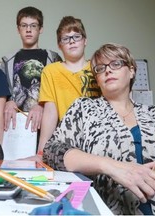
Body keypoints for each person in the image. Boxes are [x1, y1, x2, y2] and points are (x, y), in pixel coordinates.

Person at [43, 43, 155, 214]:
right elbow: (52, 152)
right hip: (105, 209)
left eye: (116, 64)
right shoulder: (83, 108)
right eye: (100, 68)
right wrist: (110, 166)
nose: (107, 71)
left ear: (131, 70)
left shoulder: (151, 113)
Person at [37, 16, 101, 155]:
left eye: (76, 36)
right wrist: (41, 151)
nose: (72, 41)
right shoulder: (51, 71)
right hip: (67, 139)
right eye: (66, 38)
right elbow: (50, 112)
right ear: (59, 44)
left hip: (98, 136)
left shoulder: (98, 68)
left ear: (85, 40)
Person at [1, 6, 62, 134]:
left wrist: (41, 105)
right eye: (24, 25)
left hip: (45, 122)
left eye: (33, 25)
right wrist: (8, 102)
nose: (28, 30)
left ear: (41, 29)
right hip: (15, 124)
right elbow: (1, 91)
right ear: (18, 29)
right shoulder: (8, 60)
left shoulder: (53, 57)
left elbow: (59, 91)